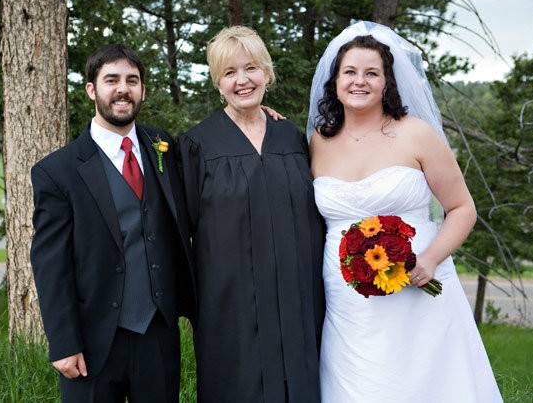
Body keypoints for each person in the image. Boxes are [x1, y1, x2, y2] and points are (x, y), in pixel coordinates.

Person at [307, 21, 502, 402]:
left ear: (387, 82)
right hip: (347, 299)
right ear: (335, 81)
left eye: (371, 73)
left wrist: (429, 260)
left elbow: (462, 208)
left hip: (418, 285)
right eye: (350, 72)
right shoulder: (318, 141)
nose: (359, 81)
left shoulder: (416, 133)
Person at [30, 44, 195, 402]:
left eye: (132, 80)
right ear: (92, 90)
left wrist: (257, 115)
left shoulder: (162, 144)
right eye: (112, 80)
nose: (123, 89)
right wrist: (63, 342)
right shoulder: (57, 171)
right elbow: (50, 263)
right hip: (91, 340)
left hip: (158, 332)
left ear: (142, 90)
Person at [178, 26, 325, 403]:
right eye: (229, 73)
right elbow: (183, 230)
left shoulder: (292, 138)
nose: (242, 81)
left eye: (251, 68)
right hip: (230, 306)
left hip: (298, 303)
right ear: (217, 82)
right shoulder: (197, 144)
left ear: (267, 73)